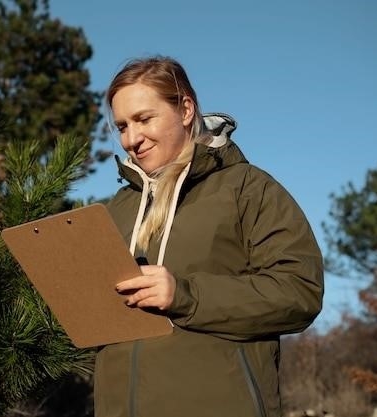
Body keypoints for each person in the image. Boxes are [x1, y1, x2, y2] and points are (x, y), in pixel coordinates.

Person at [95, 56, 324, 417]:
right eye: (122, 126)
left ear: (185, 109)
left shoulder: (247, 188)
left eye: (143, 119)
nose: (131, 139)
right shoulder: (117, 208)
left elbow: (299, 292)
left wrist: (185, 295)